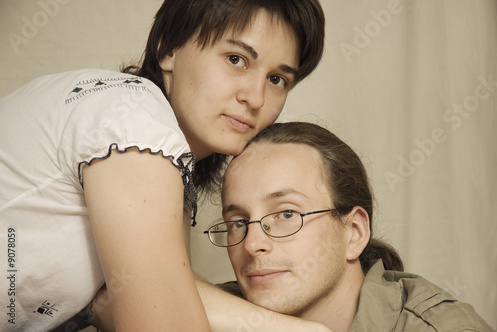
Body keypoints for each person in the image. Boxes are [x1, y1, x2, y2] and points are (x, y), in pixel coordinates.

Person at [0, 1, 326, 331]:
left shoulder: (152, 146)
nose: (256, 98)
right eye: (236, 59)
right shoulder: (132, 117)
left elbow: (157, 289)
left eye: (277, 79)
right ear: (168, 48)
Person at [206, 122, 495, 332]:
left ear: (354, 232)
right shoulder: (219, 315)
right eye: (239, 222)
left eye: (287, 214)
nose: (252, 243)